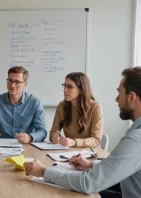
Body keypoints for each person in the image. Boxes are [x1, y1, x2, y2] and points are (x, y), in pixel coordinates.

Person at [24, 67, 141, 198]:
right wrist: (91, 164)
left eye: (119, 93)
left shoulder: (136, 139)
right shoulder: (63, 106)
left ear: (131, 97)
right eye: (65, 86)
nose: (116, 99)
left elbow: (88, 183)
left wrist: (44, 172)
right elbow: (114, 168)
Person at [0, 66, 47, 143]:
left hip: (26, 146)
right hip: (3, 145)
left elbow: (42, 132)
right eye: (10, 80)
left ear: (25, 84)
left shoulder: (35, 102)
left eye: (17, 82)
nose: (12, 85)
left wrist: (29, 137)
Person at [49, 72, 104, 147]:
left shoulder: (95, 107)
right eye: (64, 86)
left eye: (70, 87)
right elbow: (53, 131)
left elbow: (96, 140)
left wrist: (75, 142)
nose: (65, 90)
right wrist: (54, 137)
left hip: (87, 154)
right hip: (67, 152)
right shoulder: (62, 105)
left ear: (81, 90)